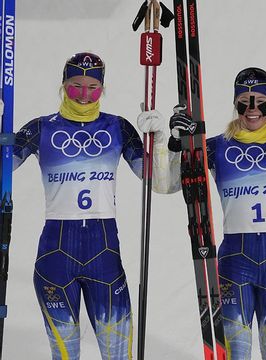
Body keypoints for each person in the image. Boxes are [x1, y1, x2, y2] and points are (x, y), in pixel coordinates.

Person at [138, 67, 266, 359]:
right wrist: (173, 143)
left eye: (260, 100)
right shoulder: (215, 147)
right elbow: (168, 184)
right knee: (237, 353)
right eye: (244, 101)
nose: (252, 109)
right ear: (235, 103)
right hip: (235, 262)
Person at [12, 52, 172, 360]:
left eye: (92, 87)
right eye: (76, 86)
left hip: (104, 255)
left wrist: (161, 143)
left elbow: (161, 183)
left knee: (118, 355)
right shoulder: (40, 128)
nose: (84, 95)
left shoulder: (118, 128)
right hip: (55, 256)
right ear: (63, 85)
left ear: (102, 89)